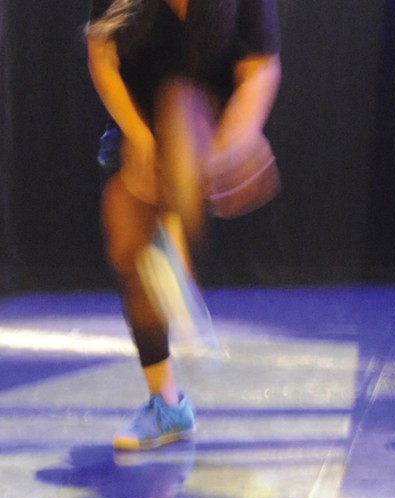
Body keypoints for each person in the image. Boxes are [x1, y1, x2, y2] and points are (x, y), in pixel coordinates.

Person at [85, 0, 281, 450]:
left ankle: (173, 250)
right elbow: (102, 56)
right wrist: (140, 139)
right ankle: (167, 403)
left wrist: (233, 145)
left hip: (210, 118)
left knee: (181, 102)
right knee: (128, 245)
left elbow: (261, 66)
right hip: (136, 114)